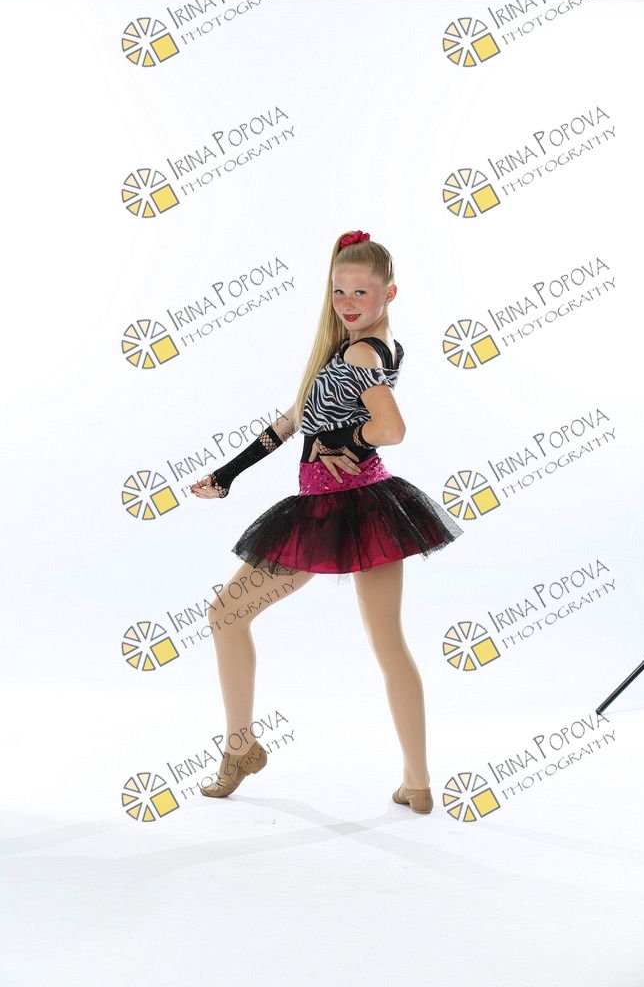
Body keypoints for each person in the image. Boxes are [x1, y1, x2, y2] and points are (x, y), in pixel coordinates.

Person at [190, 229, 463, 814]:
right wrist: (229, 472)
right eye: (339, 290)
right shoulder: (367, 347)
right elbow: (294, 419)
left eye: (361, 291)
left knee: (225, 615)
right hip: (370, 505)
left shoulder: (361, 354)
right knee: (389, 643)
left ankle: (240, 748)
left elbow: (390, 429)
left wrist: (341, 441)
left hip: (331, 509)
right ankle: (417, 783)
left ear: (390, 292)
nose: (347, 302)